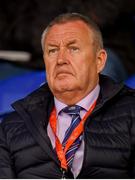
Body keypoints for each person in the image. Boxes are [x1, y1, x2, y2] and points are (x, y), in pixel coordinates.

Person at [0, 13, 135, 179]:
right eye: (53, 50)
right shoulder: (10, 127)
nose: (61, 59)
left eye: (73, 48)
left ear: (99, 61)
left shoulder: (131, 114)